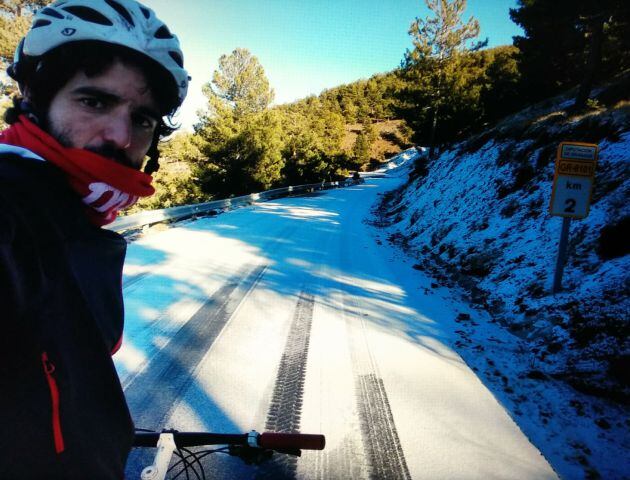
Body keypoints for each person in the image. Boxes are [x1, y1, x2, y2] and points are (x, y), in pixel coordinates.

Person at [0, 1, 188, 478]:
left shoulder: (79, 223)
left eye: (143, 118)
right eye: (95, 101)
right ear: (34, 98)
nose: (122, 136)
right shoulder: (12, 205)